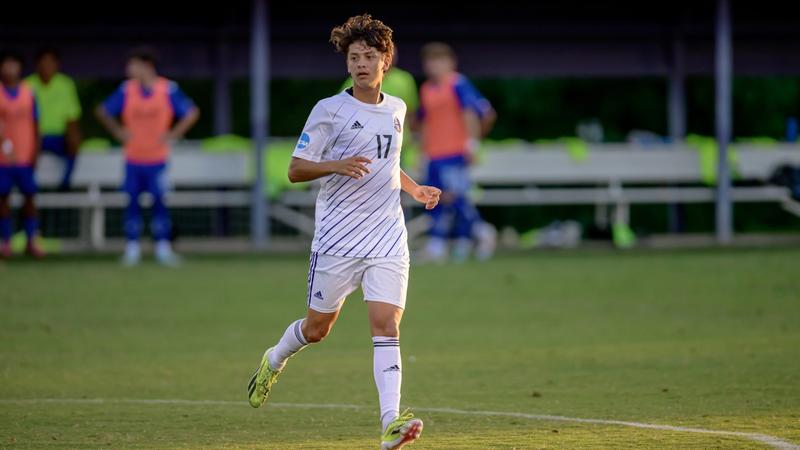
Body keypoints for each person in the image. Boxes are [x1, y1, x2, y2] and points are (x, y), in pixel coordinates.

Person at [247, 14, 440, 450]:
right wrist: (336, 165)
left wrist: (414, 188)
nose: (361, 64)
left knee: (386, 323)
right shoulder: (329, 110)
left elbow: (387, 164)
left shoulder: (397, 108)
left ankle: (390, 423)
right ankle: (273, 358)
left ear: (385, 61)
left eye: (369, 56)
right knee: (318, 329)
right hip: (337, 239)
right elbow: (296, 170)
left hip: (388, 234)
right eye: (354, 57)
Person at [95, 47, 199, 266]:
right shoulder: (127, 90)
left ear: (146, 66)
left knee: (160, 203)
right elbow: (103, 111)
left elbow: (191, 112)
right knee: (131, 202)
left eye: (132, 65)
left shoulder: (167, 89)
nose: (128, 70)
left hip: (158, 159)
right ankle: (132, 249)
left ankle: (163, 248)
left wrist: (173, 134)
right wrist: (117, 131)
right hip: (133, 157)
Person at [417, 42, 497, 262]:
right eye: (430, 61)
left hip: (454, 151)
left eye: (439, 60)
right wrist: (421, 151)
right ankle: (439, 243)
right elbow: (424, 122)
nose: (434, 66)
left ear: (451, 62)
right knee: (436, 199)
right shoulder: (426, 89)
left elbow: (478, 113)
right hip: (433, 153)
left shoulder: (458, 83)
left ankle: (482, 232)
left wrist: (472, 142)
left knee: (457, 197)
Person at [0, 50, 44, 259]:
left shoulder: (29, 92)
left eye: (13, 64)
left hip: (25, 156)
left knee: (29, 197)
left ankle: (31, 240)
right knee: (3, 199)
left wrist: (35, 151)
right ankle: (5, 242)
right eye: (6, 65)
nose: (10, 69)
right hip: (3, 159)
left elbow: (36, 124)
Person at [26, 47, 82, 190]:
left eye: (51, 62)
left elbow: (72, 117)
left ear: (57, 65)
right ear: (37, 65)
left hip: (58, 136)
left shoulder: (65, 84)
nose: (47, 66)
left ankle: (65, 185)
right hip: (32, 136)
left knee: (74, 142)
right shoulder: (26, 85)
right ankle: (28, 185)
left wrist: (73, 138)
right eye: (43, 62)